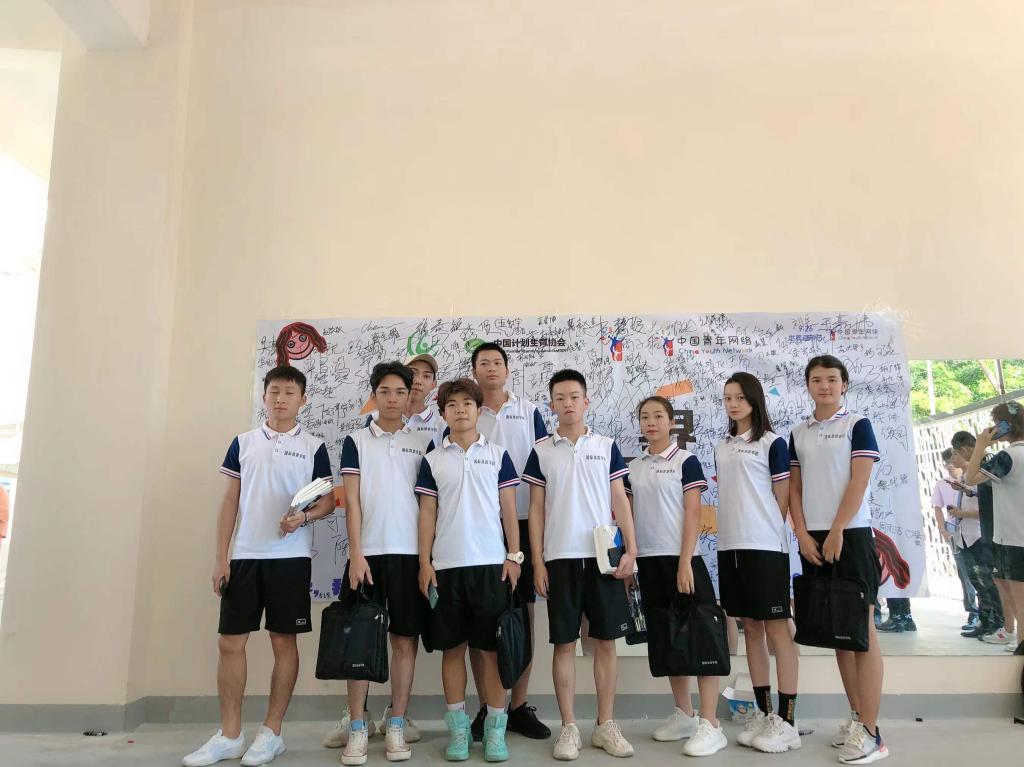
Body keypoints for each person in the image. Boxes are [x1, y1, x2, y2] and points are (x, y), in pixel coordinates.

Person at [183, 366, 336, 767]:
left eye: (289, 392)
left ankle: (271, 733)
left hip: (290, 559)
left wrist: (302, 518)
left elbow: (328, 500)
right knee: (230, 642)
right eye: (274, 391)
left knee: (283, 642)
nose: (281, 399)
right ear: (263, 396)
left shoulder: (314, 446)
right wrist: (221, 557)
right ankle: (230, 735)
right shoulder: (244, 443)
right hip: (245, 557)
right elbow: (230, 501)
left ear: (303, 400)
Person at [523, 369, 637, 761]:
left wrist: (631, 550)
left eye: (574, 396)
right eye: (560, 398)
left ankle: (605, 724)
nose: (568, 403)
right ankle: (569, 727)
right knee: (564, 643)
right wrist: (537, 561)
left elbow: (619, 500)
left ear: (586, 401)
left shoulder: (605, 445)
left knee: (605, 642)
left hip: (604, 558)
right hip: (559, 558)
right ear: (551, 404)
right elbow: (535, 509)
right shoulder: (541, 450)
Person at [330, 362, 434, 765]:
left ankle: (396, 723)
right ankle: (358, 726)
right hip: (367, 556)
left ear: (411, 395)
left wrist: (425, 560)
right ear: (374, 395)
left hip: (410, 557)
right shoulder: (356, 441)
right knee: (359, 641)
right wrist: (356, 553)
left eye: (400, 392)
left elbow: (429, 506)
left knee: (405, 642)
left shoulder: (424, 441)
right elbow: (352, 502)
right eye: (385, 391)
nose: (393, 399)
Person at [415, 378, 524, 762]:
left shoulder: (498, 454)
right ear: (443, 413)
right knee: (452, 652)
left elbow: (509, 509)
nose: (460, 410)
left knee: (490, 652)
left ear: (479, 410)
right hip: (446, 568)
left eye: (467, 403)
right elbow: (427, 513)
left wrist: (514, 556)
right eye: (452, 405)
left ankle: (495, 732)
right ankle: (458, 731)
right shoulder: (433, 459)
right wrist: (424, 562)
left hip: (491, 567)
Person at [788, 355, 888, 764]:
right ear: (808, 385)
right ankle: (856, 717)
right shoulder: (799, 432)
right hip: (813, 539)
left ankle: (873, 733)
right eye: (817, 379)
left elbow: (859, 480)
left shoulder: (857, 424)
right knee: (840, 635)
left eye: (832, 379)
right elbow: (794, 489)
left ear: (844, 385)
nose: (825, 386)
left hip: (851, 535)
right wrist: (801, 534)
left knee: (863, 632)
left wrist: (837, 529)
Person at [626, 395, 725, 756]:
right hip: (649, 563)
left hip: (684, 561)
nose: (651, 422)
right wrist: (631, 561)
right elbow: (627, 515)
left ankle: (711, 723)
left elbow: (693, 513)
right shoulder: (633, 467)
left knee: (702, 637)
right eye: (645, 417)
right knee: (668, 636)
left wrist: (685, 561)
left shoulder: (686, 461)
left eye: (658, 416)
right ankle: (684, 713)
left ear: (672, 422)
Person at [467, 342, 551, 741]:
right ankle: (488, 707)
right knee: (481, 619)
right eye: (483, 363)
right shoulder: (465, 410)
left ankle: (518, 706)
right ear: (474, 371)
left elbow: (545, 465)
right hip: (479, 528)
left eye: (497, 362)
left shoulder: (529, 411)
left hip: (523, 522)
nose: (491, 368)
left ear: (506, 369)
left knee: (523, 616)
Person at [714, 373, 801, 754]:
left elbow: (783, 497)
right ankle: (765, 714)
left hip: (765, 547)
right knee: (750, 627)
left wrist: (767, 533)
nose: (733, 404)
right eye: (728, 398)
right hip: (730, 546)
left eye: (740, 398)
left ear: (754, 401)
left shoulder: (771, 443)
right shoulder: (722, 446)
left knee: (777, 629)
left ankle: (788, 719)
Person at [964, 400, 1024, 655]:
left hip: (1013, 537)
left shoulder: (1008, 456)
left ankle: (1020, 645)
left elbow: (971, 478)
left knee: (1020, 599)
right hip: (1013, 535)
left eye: (996, 423)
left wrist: (980, 446)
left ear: (1006, 425)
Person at [949, 431, 1005, 639]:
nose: (953, 458)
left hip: (981, 535)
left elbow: (989, 506)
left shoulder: (989, 466)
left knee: (988, 581)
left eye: (955, 453)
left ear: (964, 450)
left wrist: (962, 513)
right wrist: (967, 492)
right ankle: (985, 620)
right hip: (966, 535)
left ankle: (998, 623)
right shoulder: (968, 474)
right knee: (977, 581)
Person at [924, 449, 977, 634]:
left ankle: (989, 613)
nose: (950, 464)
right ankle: (973, 612)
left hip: (975, 531)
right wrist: (943, 530)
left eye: (953, 459)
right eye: (947, 461)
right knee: (964, 572)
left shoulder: (972, 480)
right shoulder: (941, 484)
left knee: (980, 573)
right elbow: (937, 508)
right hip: (954, 531)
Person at [365, 354, 446, 448]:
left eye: (426, 376)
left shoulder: (442, 426)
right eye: (413, 373)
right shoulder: (376, 418)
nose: (418, 381)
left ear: (433, 384)